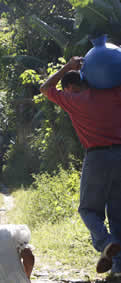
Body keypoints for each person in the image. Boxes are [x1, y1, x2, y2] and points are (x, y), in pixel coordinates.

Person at [40, 56, 121, 277]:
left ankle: (106, 243)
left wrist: (67, 66)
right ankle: (118, 268)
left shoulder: (73, 100)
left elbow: (45, 87)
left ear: (69, 87)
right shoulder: (113, 94)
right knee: (117, 214)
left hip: (97, 157)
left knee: (87, 209)